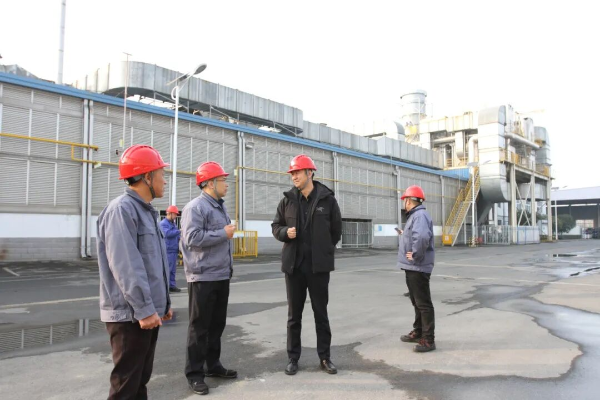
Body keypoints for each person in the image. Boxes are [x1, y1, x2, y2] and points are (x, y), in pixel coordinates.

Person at [97, 144, 173, 399]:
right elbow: (126, 266)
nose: (165, 180)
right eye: (162, 174)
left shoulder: (147, 212)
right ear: (147, 177)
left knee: (139, 381)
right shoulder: (122, 210)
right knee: (126, 387)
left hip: (145, 312)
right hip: (130, 316)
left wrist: (162, 304)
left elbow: (154, 265)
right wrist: (145, 309)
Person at [271, 154, 342, 376]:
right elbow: (275, 226)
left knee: (321, 313)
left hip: (318, 268)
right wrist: (285, 232)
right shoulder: (287, 201)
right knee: (294, 316)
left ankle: (325, 357)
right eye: (292, 173)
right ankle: (293, 358)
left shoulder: (327, 200)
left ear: (310, 173)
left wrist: (323, 250)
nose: (294, 177)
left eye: (297, 173)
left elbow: (336, 231)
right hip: (294, 267)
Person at [180, 161, 237, 396]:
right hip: (203, 277)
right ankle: (195, 374)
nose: (227, 184)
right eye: (223, 180)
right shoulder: (195, 208)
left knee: (216, 324)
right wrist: (223, 233)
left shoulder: (219, 207)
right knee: (199, 327)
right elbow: (191, 238)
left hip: (221, 274)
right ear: (210, 183)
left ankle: (213, 365)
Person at [397, 185, 436, 352]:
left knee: (423, 303)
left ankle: (428, 339)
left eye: (405, 200)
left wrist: (415, 255)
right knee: (416, 302)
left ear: (408, 201)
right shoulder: (416, 216)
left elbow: (421, 237)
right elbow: (415, 236)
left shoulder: (419, 216)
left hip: (418, 266)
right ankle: (419, 331)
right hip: (413, 266)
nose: (404, 203)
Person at [160, 205, 182, 292]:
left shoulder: (173, 223)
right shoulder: (163, 224)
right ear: (170, 213)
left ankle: (171, 286)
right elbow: (167, 234)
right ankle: (166, 286)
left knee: (172, 270)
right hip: (168, 250)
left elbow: (176, 235)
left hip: (173, 249)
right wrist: (179, 231)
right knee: (168, 269)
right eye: (175, 214)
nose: (176, 216)